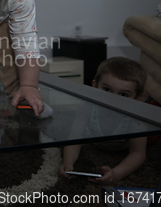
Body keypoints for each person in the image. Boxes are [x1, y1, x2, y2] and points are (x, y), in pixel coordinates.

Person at [58, 57, 148, 185]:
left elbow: (138, 153)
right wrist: (67, 163)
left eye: (123, 95)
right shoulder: (87, 106)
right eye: (106, 90)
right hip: (93, 141)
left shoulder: (137, 119)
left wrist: (116, 174)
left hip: (122, 147)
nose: (112, 99)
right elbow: (75, 138)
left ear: (137, 98)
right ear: (94, 86)